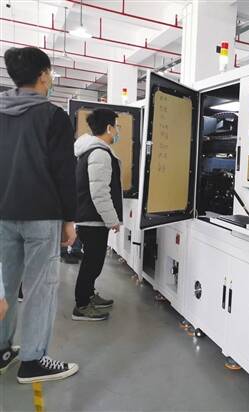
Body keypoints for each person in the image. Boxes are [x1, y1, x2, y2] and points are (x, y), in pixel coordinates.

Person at [0, 47, 79, 382]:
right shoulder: (52, 115)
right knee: (38, 289)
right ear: (44, 75)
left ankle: (2, 350)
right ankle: (33, 360)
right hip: (41, 214)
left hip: (2, 215)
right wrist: (69, 219)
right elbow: (64, 171)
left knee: (5, 285)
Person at [73, 108, 122, 321]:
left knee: (94, 262)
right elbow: (99, 192)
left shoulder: (92, 151)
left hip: (91, 218)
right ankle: (82, 306)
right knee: (92, 264)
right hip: (93, 219)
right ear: (109, 127)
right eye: (116, 126)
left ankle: (89, 295)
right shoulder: (99, 153)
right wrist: (112, 220)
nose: (117, 131)